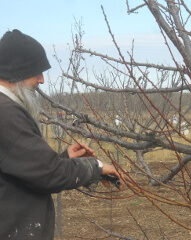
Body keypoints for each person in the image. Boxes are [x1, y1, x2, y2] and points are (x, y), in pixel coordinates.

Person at [0, 29, 123, 240]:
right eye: (37, 71)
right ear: (17, 71)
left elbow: (26, 168)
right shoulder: (5, 112)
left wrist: (63, 160)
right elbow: (48, 175)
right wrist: (97, 167)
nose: (42, 80)